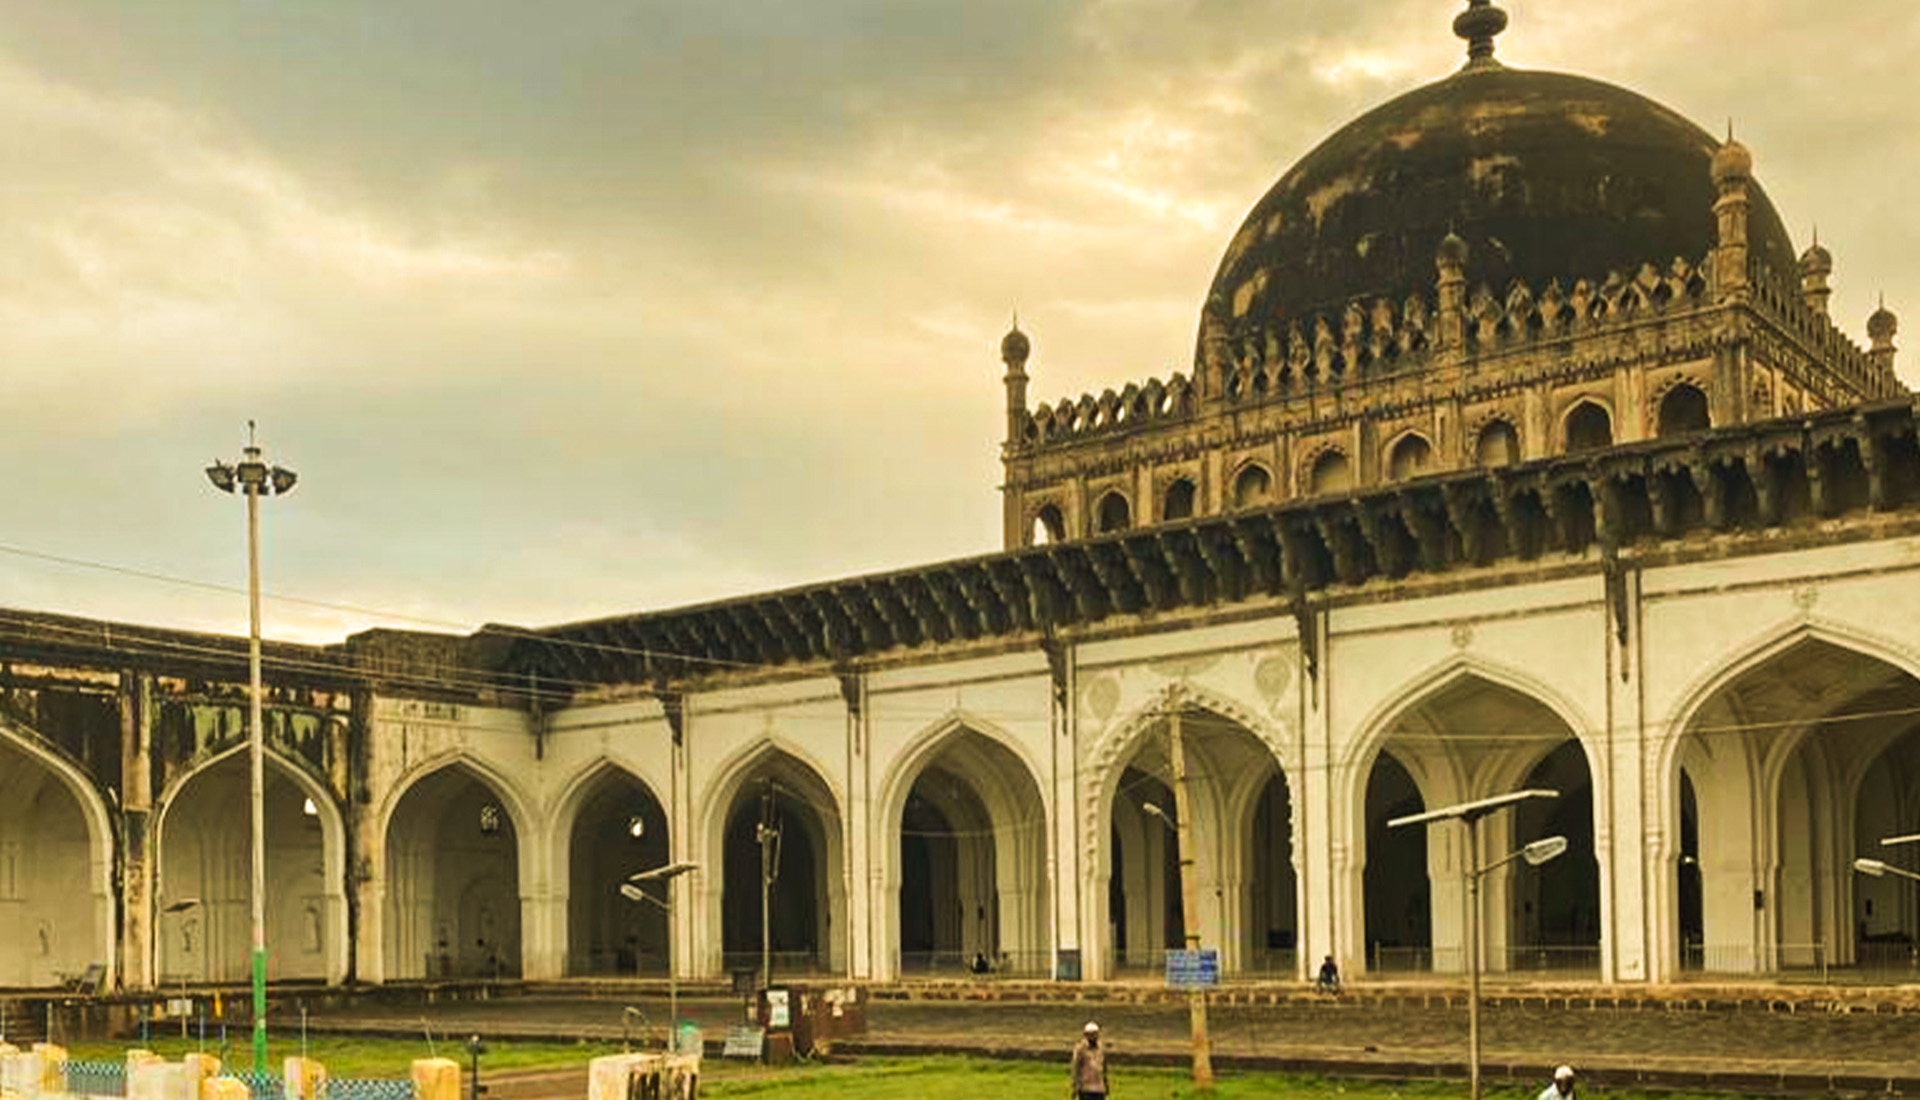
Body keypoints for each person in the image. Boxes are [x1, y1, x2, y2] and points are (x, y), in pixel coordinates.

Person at [1070, 1021, 1108, 1100]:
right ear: (1086, 1035)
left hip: (1099, 1088)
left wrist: (1106, 1083)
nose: (1093, 1037)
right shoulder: (1080, 1049)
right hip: (1086, 1088)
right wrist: (1075, 1086)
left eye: (1095, 1034)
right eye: (1091, 1034)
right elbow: (1076, 1067)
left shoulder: (1101, 1048)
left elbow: (1103, 1067)